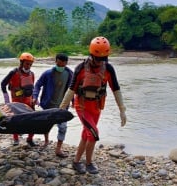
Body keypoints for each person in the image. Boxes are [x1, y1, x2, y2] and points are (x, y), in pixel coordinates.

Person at [59, 36, 127, 174]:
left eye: (104, 59)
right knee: (94, 134)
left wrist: (122, 110)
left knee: (86, 134)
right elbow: (71, 89)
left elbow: (116, 89)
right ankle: (89, 163)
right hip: (82, 106)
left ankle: (76, 161)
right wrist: (61, 108)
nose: (100, 62)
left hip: (96, 107)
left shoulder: (108, 69)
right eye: (98, 59)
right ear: (91, 54)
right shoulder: (80, 68)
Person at [32, 53, 73, 158]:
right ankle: (46, 141)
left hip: (62, 106)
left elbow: (72, 89)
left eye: (63, 65)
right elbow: (37, 85)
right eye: (59, 65)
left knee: (63, 127)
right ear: (55, 62)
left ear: (66, 63)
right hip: (48, 104)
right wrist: (35, 97)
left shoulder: (70, 74)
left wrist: (73, 100)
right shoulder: (48, 73)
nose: (61, 67)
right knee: (46, 125)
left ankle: (58, 149)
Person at [0, 52, 37, 147]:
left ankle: (30, 139)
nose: (28, 66)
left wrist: (34, 99)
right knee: (15, 120)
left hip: (28, 101)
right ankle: (16, 139)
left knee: (32, 121)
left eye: (30, 64)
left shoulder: (32, 74)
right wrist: (6, 99)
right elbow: (3, 84)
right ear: (21, 62)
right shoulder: (13, 72)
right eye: (26, 64)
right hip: (16, 102)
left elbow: (31, 88)